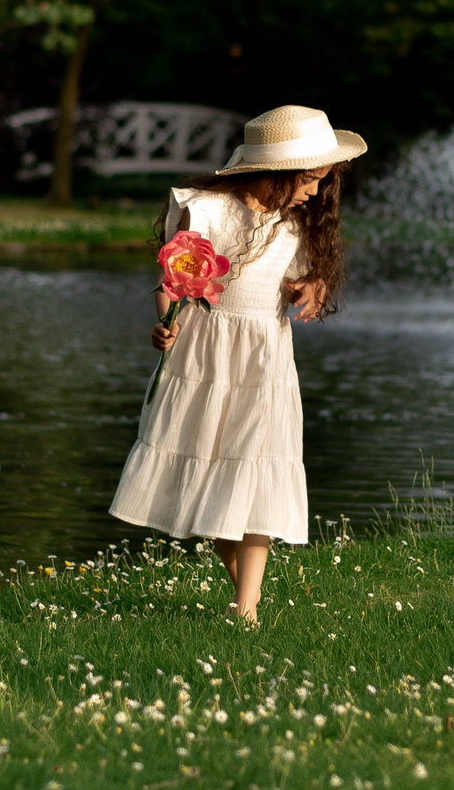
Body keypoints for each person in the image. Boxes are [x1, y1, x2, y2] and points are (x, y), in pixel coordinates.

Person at [108, 105, 364, 623]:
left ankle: (246, 610)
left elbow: (298, 278)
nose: (316, 192)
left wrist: (310, 284)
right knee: (211, 477)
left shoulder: (293, 227)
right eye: (311, 179)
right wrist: (167, 324)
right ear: (279, 170)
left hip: (263, 363)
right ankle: (244, 600)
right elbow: (171, 285)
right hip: (204, 355)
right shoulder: (204, 209)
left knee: (256, 474)